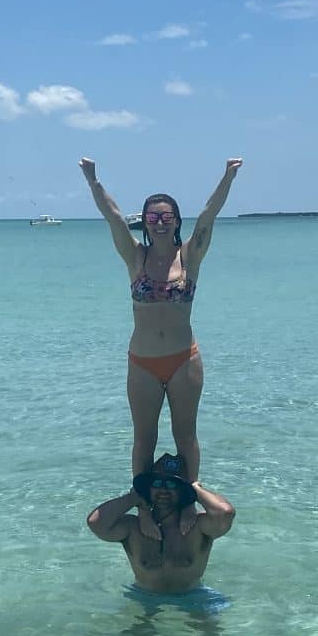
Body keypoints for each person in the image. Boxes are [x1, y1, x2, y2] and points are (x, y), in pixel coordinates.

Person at [79, 155, 242, 488]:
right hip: (143, 363)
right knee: (144, 438)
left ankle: (188, 500)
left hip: (184, 360)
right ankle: (142, 502)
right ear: (146, 221)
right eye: (153, 216)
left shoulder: (190, 256)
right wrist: (93, 181)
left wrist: (227, 177)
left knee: (185, 435)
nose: (159, 221)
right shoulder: (136, 256)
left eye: (167, 215)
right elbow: (113, 218)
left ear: (176, 220)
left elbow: (209, 215)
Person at [87, 457, 236, 592]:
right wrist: (135, 497)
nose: (163, 490)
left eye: (172, 484)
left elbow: (225, 513)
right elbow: (97, 523)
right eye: (157, 483)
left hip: (193, 596)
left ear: (182, 490)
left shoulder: (197, 527)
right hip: (144, 597)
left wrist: (195, 490)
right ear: (149, 488)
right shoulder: (133, 528)